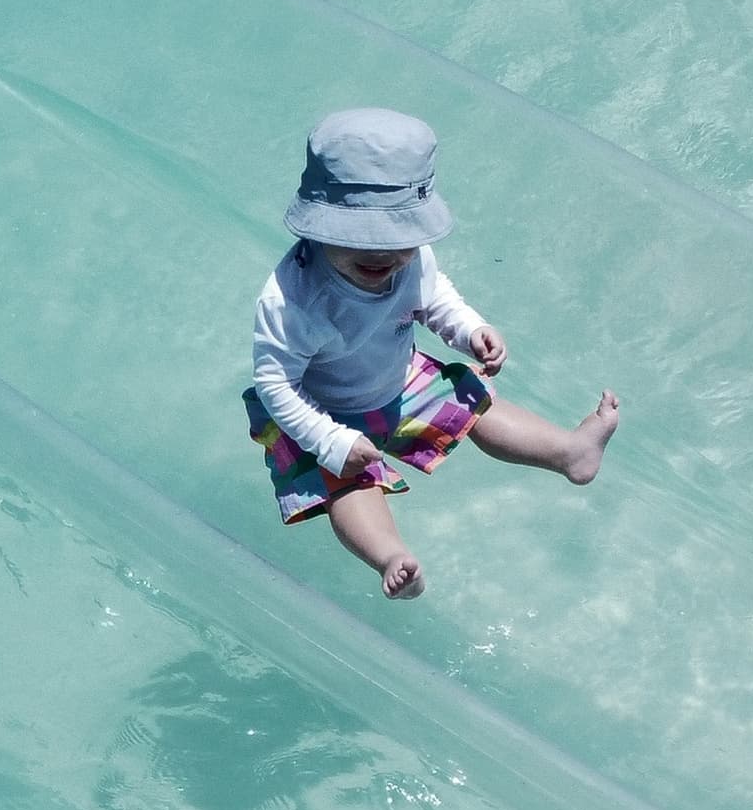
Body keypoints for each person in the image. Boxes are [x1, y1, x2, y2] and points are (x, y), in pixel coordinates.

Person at [243, 108, 620, 598]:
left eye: (400, 239)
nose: (385, 256)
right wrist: (330, 440)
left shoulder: (413, 259)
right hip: (322, 412)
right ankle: (391, 558)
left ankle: (569, 451)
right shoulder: (293, 301)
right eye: (362, 240)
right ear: (316, 229)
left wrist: (469, 330)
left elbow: (432, 294)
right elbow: (276, 385)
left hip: (398, 380)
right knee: (349, 484)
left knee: (477, 407)